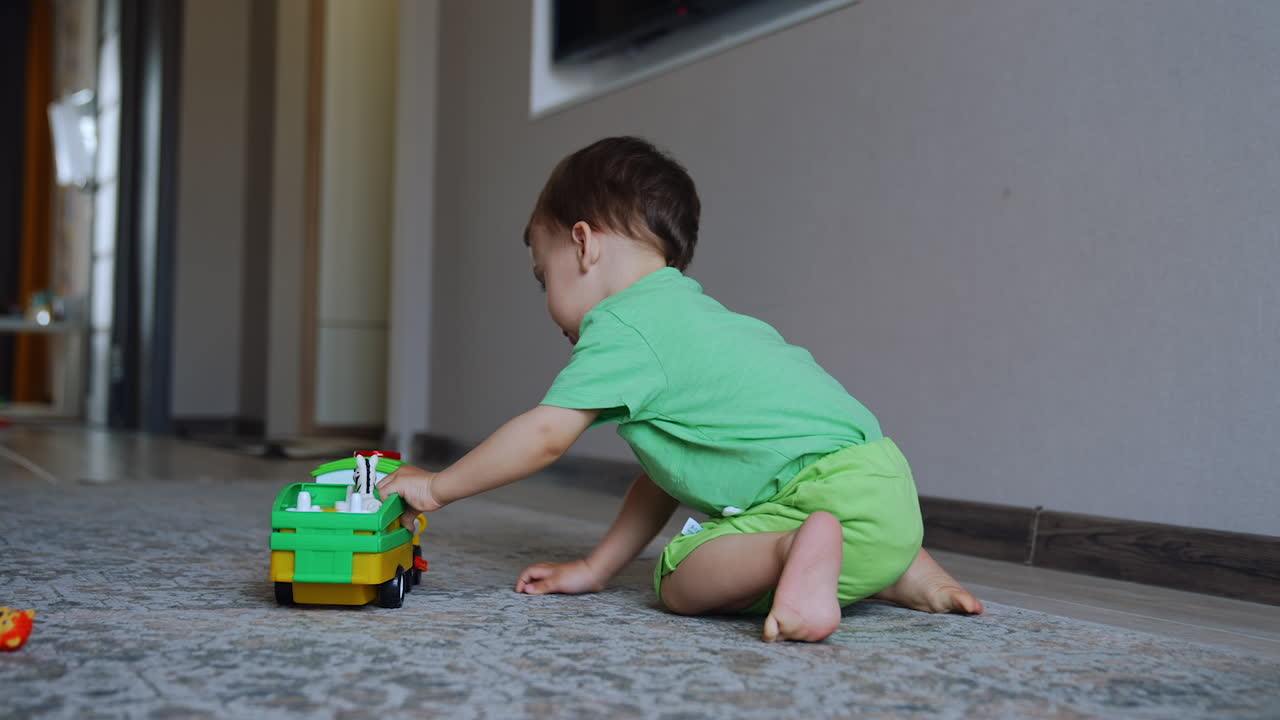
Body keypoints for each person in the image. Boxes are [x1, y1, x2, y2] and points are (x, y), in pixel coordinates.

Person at [379, 136, 983, 642]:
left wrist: (436, 487)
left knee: (678, 578)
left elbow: (542, 437)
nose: (548, 302)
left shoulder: (622, 327)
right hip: (888, 494)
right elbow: (666, 476)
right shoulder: (691, 318)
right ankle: (904, 571)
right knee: (847, 531)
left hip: (820, 505)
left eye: (545, 276)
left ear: (584, 245)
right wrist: (595, 567)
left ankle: (798, 549)